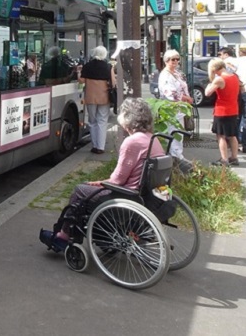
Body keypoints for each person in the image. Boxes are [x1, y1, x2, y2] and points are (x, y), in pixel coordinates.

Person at [44, 98, 166, 249]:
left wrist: (100, 182)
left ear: (127, 118)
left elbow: (117, 180)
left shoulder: (132, 142)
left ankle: (64, 235)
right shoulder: (154, 140)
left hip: (128, 195)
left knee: (80, 191)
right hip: (148, 195)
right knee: (89, 189)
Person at [157, 49, 193, 161]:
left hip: (179, 108)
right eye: (173, 59)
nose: (175, 61)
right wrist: (185, 98)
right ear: (166, 60)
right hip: (171, 108)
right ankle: (175, 156)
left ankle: (178, 155)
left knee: (179, 132)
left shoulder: (177, 73)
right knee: (173, 130)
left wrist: (187, 99)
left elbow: (183, 87)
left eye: (177, 59)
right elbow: (170, 93)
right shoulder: (165, 75)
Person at [78, 46, 114, 154]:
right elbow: (113, 82)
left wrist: (78, 72)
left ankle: (94, 145)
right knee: (102, 121)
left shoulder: (87, 66)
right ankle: (100, 147)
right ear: (104, 54)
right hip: (104, 97)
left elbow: (81, 81)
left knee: (92, 121)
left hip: (90, 98)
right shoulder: (108, 67)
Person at [205, 58, 240, 166]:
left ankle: (224, 159)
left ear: (214, 69)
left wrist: (209, 85)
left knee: (221, 136)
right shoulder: (234, 77)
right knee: (232, 135)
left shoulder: (220, 79)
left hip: (222, 111)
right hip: (233, 109)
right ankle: (234, 157)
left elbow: (207, 93)